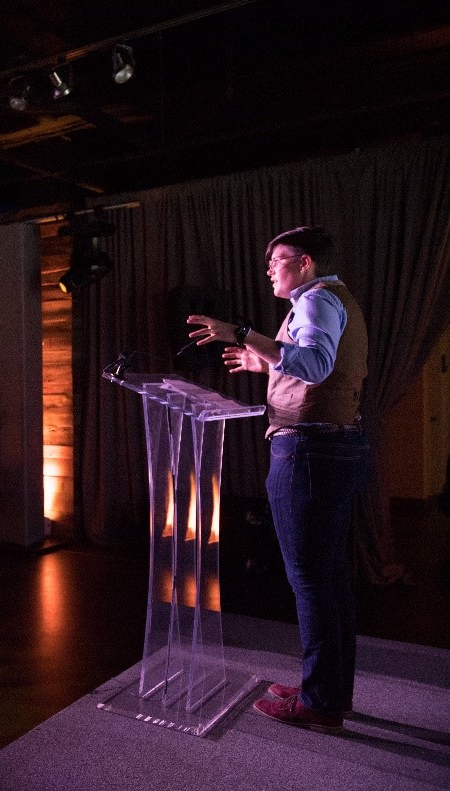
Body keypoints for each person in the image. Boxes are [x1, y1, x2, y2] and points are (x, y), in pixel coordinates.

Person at [187, 226, 369, 735]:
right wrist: (259, 359)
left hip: (310, 450)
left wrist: (244, 334)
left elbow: (313, 364)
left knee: (311, 580)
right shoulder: (330, 300)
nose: (269, 268)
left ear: (305, 263)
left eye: (278, 260)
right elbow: (309, 365)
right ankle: (329, 689)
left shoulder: (315, 302)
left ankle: (319, 703)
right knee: (328, 579)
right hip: (331, 447)